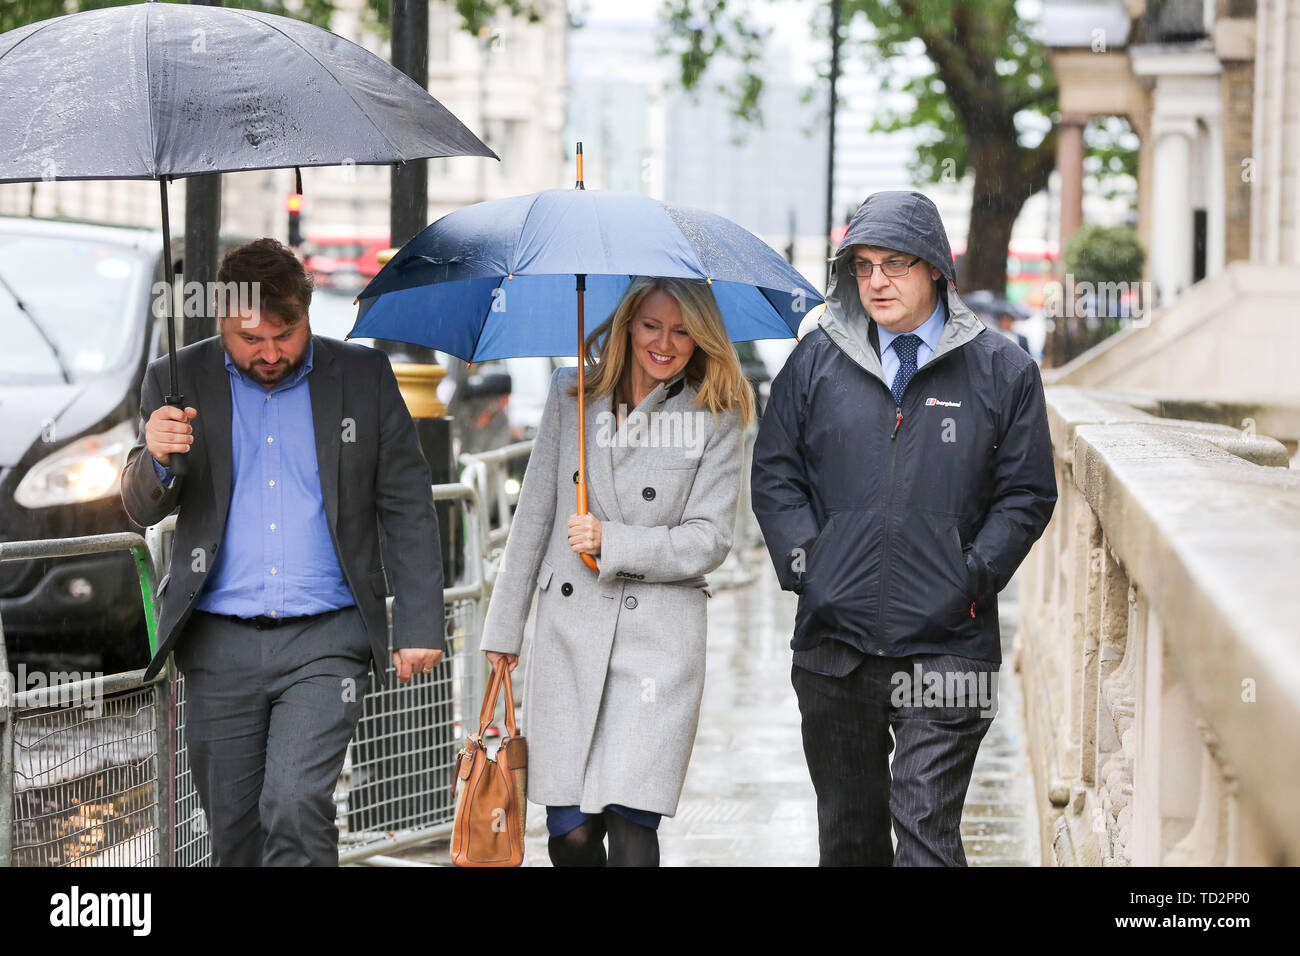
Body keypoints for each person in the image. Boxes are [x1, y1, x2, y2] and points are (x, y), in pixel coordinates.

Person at [751, 191, 1057, 866]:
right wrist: (811, 568)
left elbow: (1028, 493)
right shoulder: (815, 362)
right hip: (834, 647)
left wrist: (970, 577)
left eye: (895, 264)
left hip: (949, 645)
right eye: (862, 267)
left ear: (935, 271)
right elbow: (775, 474)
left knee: (925, 836)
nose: (876, 282)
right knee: (851, 841)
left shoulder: (1003, 369)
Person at [121, 238, 444, 866]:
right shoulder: (173, 381)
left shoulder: (362, 378)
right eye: (250, 338)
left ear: (307, 307)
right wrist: (155, 456)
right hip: (218, 643)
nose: (270, 352)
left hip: (328, 639)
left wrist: (419, 622)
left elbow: (406, 501)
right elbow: (142, 508)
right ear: (221, 321)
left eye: (286, 332)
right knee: (233, 833)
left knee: (295, 802)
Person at [478, 275, 753, 867]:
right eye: (652, 325)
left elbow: (709, 539)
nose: (666, 343)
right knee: (572, 834)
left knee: (632, 829)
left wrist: (614, 541)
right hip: (568, 637)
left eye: (683, 331)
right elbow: (531, 521)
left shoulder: (715, 410)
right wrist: (502, 633)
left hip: (658, 645)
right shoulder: (570, 394)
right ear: (628, 324)